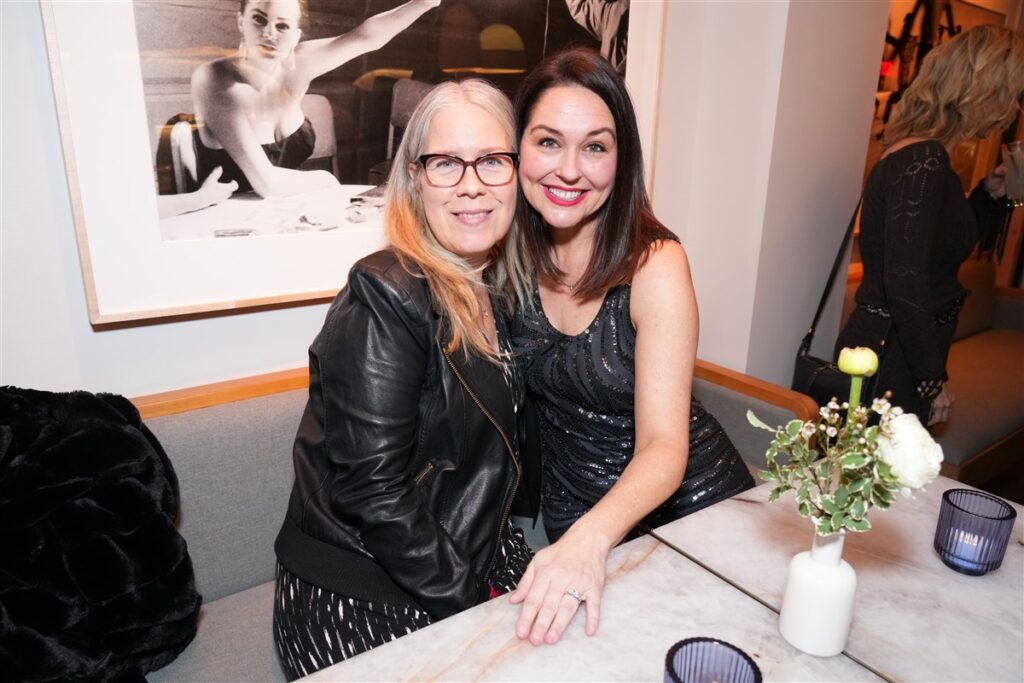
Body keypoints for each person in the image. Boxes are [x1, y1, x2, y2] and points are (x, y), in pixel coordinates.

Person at [272, 78, 533, 679]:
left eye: (492, 160)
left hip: (465, 548)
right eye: (446, 163)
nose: (472, 184)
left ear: (516, 174)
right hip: (364, 582)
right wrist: (476, 605)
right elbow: (373, 493)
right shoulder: (384, 296)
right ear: (416, 179)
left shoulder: (494, 284)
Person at [506, 48, 755, 646]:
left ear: (621, 160)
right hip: (575, 521)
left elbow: (665, 446)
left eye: (595, 147)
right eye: (548, 142)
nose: (570, 170)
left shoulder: (655, 264)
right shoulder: (507, 256)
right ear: (517, 150)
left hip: (688, 515)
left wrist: (589, 541)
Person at [836, 25, 1023, 426]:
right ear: (984, 90)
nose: (1012, 109)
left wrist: (987, 195)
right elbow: (904, 282)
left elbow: (937, 248)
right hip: (891, 356)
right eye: (1011, 93)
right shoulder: (925, 161)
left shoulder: (924, 157)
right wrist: (931, 378)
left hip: (893, 348)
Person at [185, 0, 441, 199]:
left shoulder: (299, 64)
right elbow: (267, 184)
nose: (269, 34)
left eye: (282, 26)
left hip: (285, 210)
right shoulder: (214, 79)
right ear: (241, 22)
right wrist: (327, 180)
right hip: (222, 221)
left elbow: (366, 36)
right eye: (259, 20)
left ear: (296, 36)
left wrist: (423, 3)